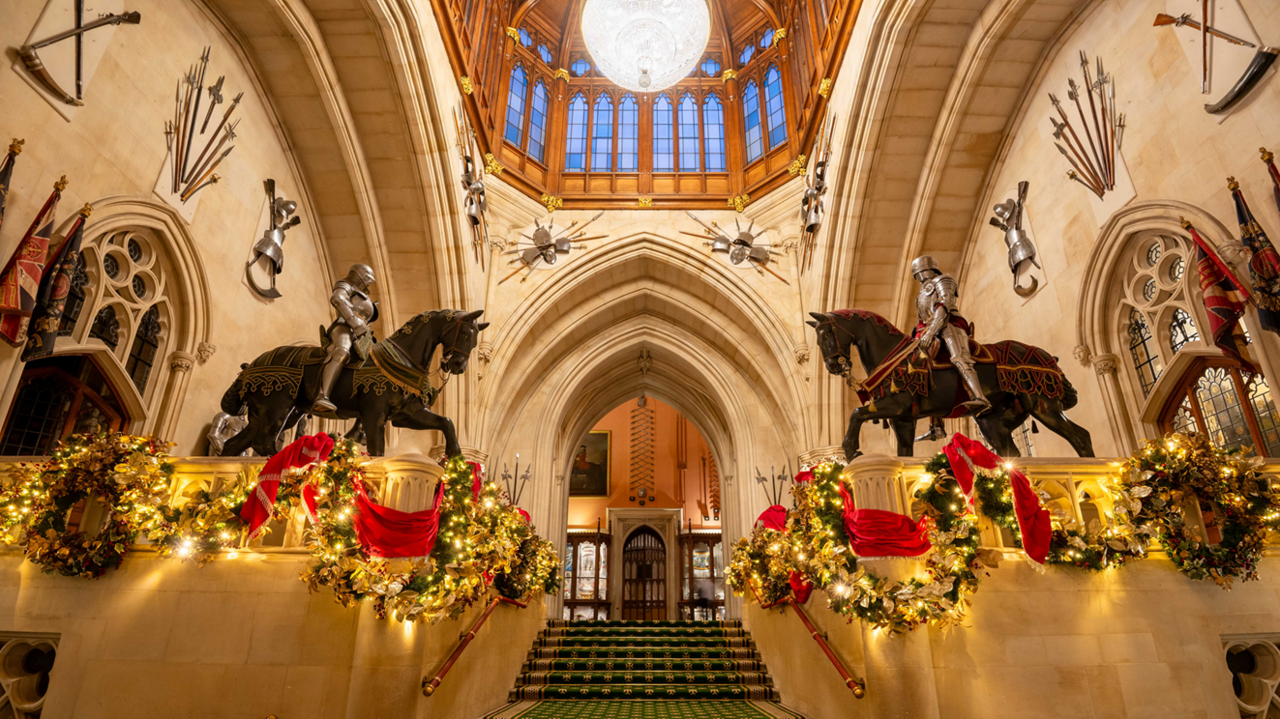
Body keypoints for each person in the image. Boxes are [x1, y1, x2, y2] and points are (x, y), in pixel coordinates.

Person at [911, 255, 989, 413]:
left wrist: (932, 331)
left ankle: (980, 397)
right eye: (916, 275)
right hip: (928, 329)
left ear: (927, 270)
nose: (919, 278)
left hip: (949, 323)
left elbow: (945, 304)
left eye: (920, 273)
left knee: (959, 357)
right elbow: (921, 319)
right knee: (924, 367)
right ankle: (936, 424)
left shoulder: (943, 280)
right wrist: (918, 338)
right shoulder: (920, 295)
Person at [313, 264, 378, 413]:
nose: (368, 283)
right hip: (344, 327)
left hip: (364, 335)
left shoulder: (365, 297)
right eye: (367, 279)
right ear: (359, 276)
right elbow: (338, 299)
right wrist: (354, 323)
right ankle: (323, 396)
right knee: (342, 351)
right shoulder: (346, 284)